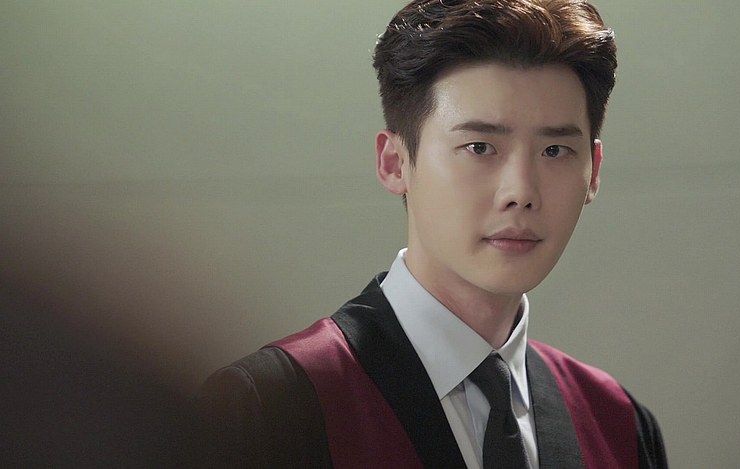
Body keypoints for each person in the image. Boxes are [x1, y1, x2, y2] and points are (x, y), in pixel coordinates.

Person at [198, 0, 668, 467]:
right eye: (479, 147)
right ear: (395, 163)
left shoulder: (618, 424)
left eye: (555, 151)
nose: (521, 192)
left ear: (594, 170)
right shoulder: (267, 408)